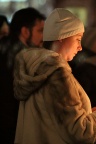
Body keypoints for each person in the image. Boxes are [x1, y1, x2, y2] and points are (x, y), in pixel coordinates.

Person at [13, 8, 96, 144]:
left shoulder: (37, 68)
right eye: (78, 39)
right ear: (61, 37)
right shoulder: (57, 75)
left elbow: (57, 121)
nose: (80, 47)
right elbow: (80, 131)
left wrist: (89, 113)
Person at [0, 7, 45, 144]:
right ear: (25, 31)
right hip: (15, 124)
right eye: (40, 31)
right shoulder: (28, 57)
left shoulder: (3, 46)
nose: (43, 36)